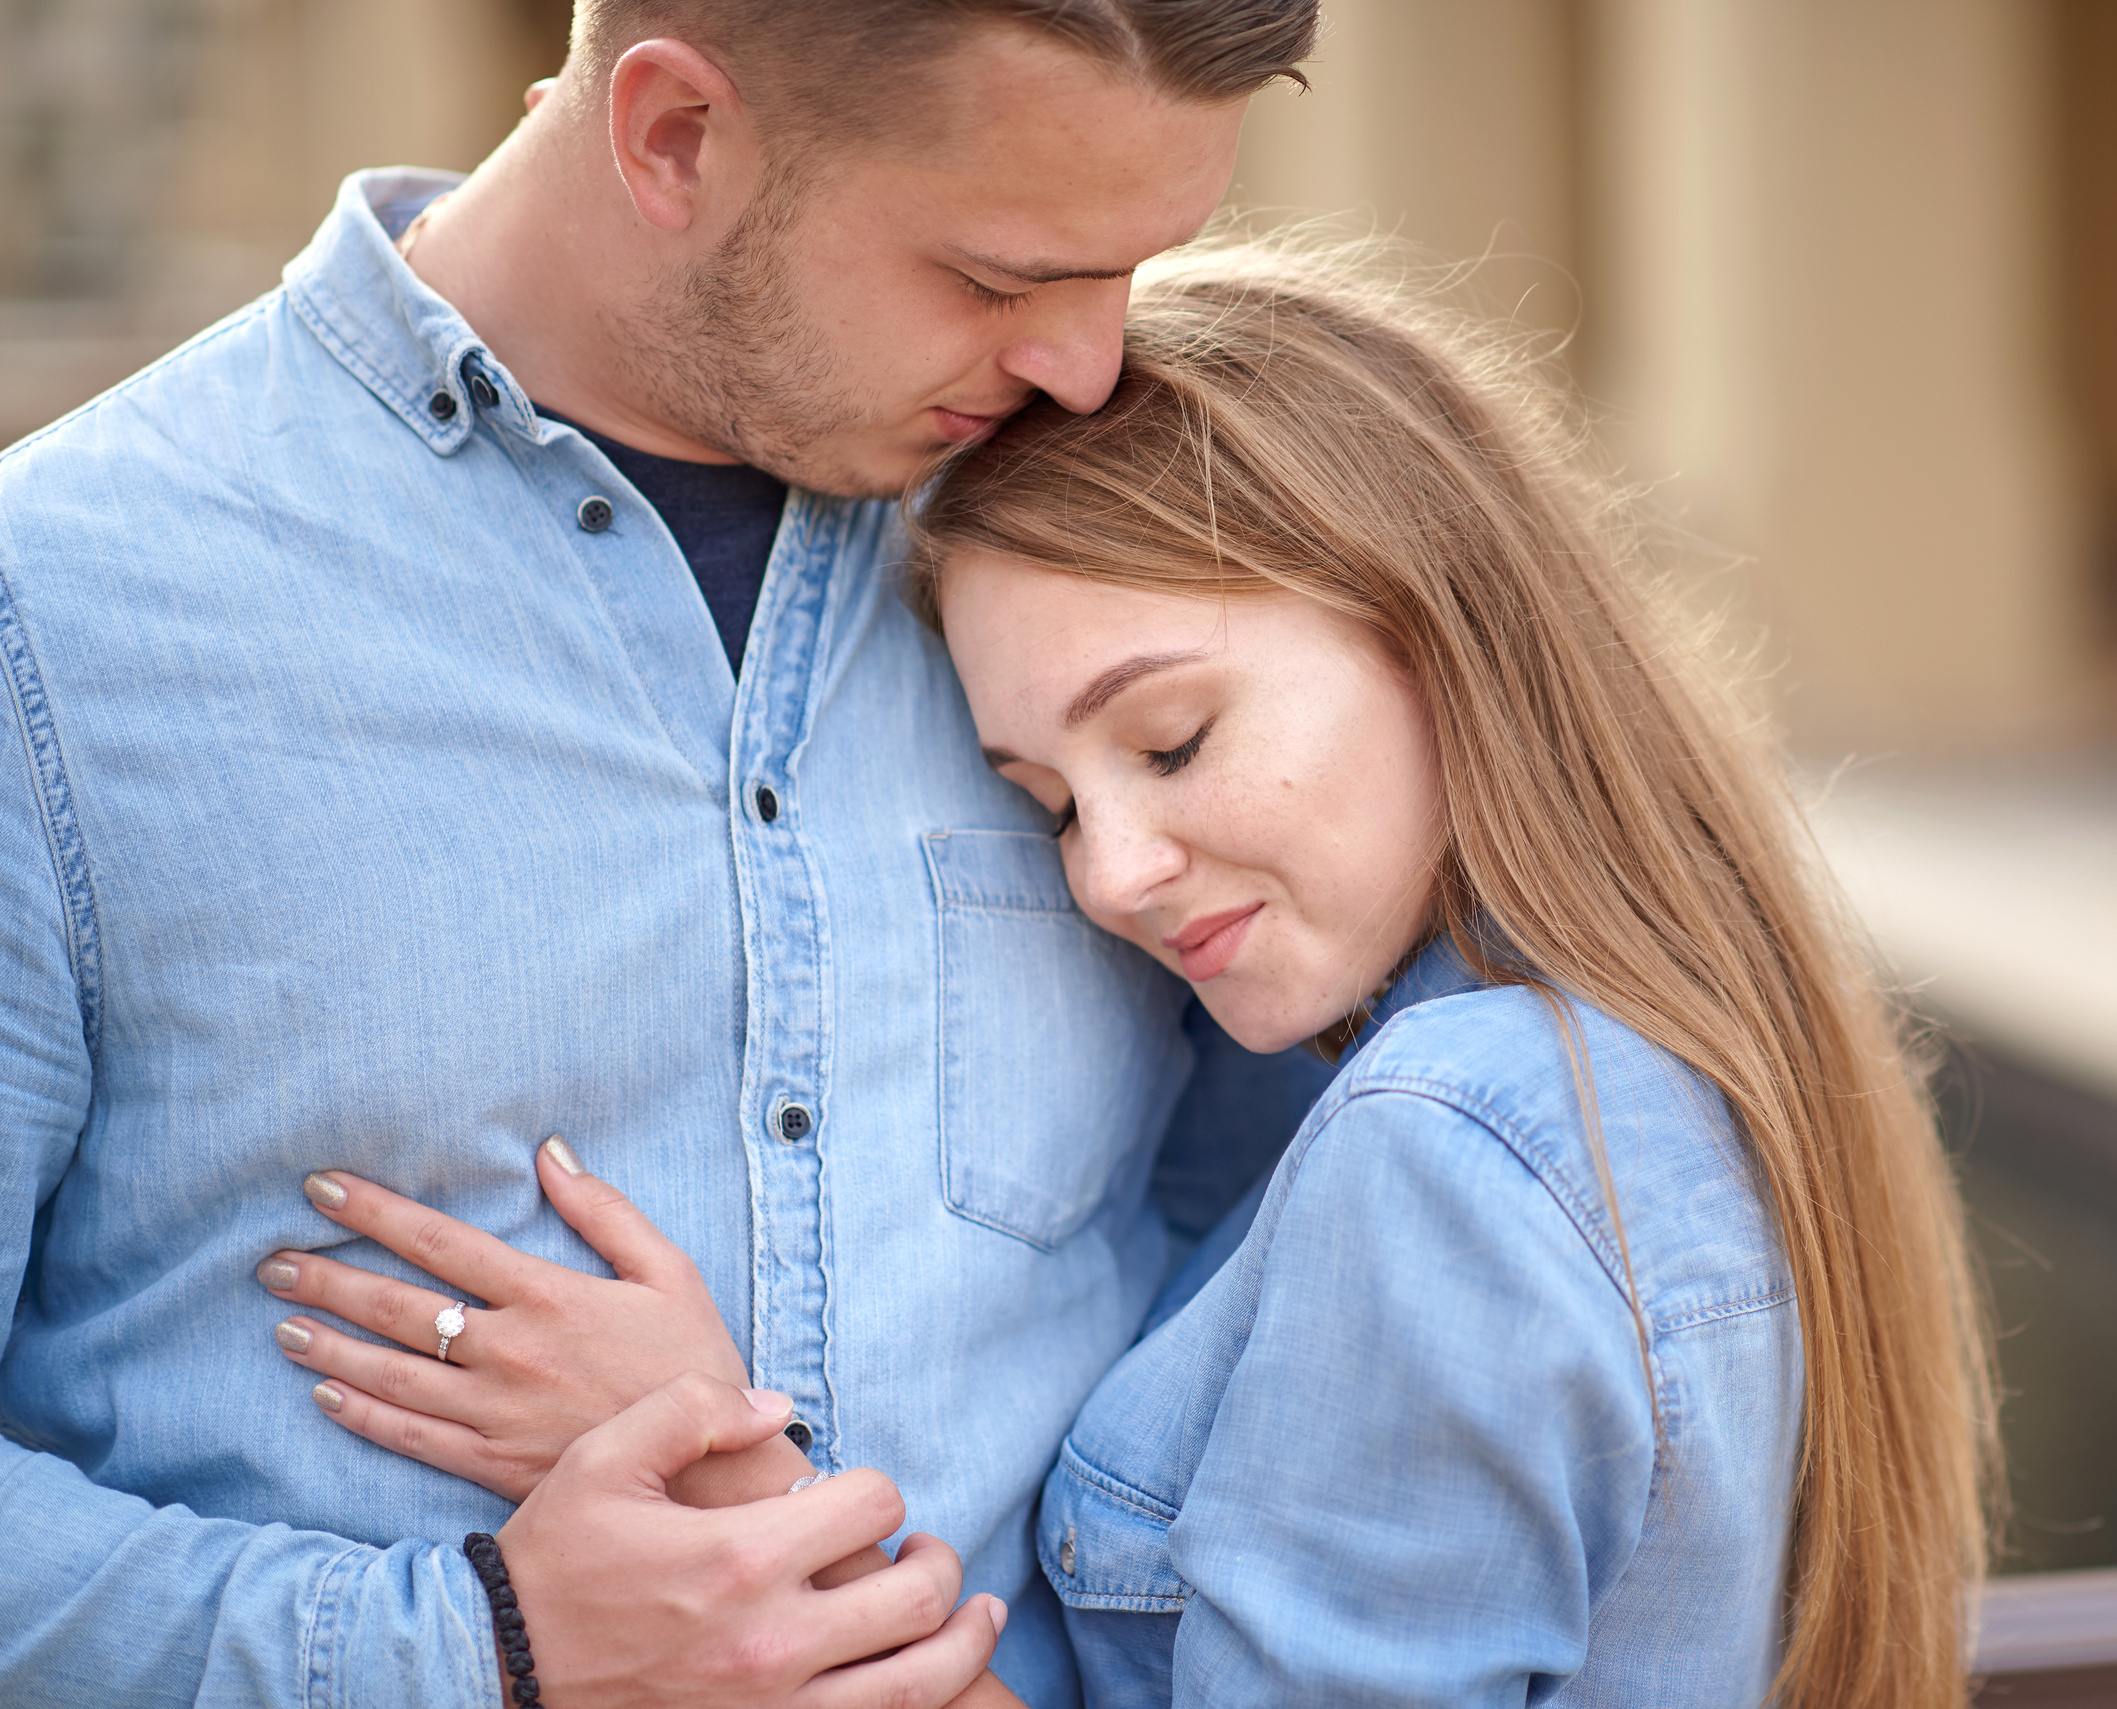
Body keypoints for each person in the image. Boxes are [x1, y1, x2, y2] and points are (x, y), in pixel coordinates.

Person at [275, 249, 2001, 1707]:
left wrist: (720, 1469)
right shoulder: (1668, 1053)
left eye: (1171, 739)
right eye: (1049, 807)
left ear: (1441, 624)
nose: (1110, 872)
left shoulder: (1451, 1147)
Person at [0, 4, 1324, 1706]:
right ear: (675, 136)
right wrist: (469, 1652)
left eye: (1138, 267)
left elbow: (1282, 1278)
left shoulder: (1137, 582)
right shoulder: (56, 620)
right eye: (997, 281)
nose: (1086, 367)